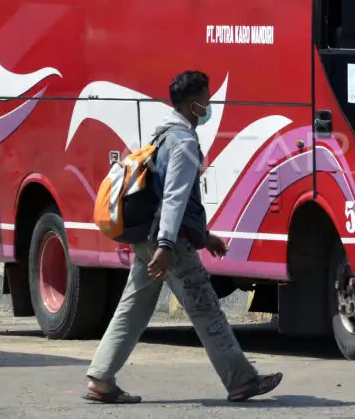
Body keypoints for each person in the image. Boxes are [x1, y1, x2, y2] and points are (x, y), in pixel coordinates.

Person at [84, 70, 283, 404]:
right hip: (169, 243)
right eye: (206, 100)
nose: (209, 106)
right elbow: (173, 198)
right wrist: (166, 245)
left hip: (152, 238)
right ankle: (241, 380)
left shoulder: (163, 136)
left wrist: (204, 236)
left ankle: (101, 378)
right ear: (193, 105)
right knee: (205, 307)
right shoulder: (184, 142)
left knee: (132, 308)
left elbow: (173, 196)